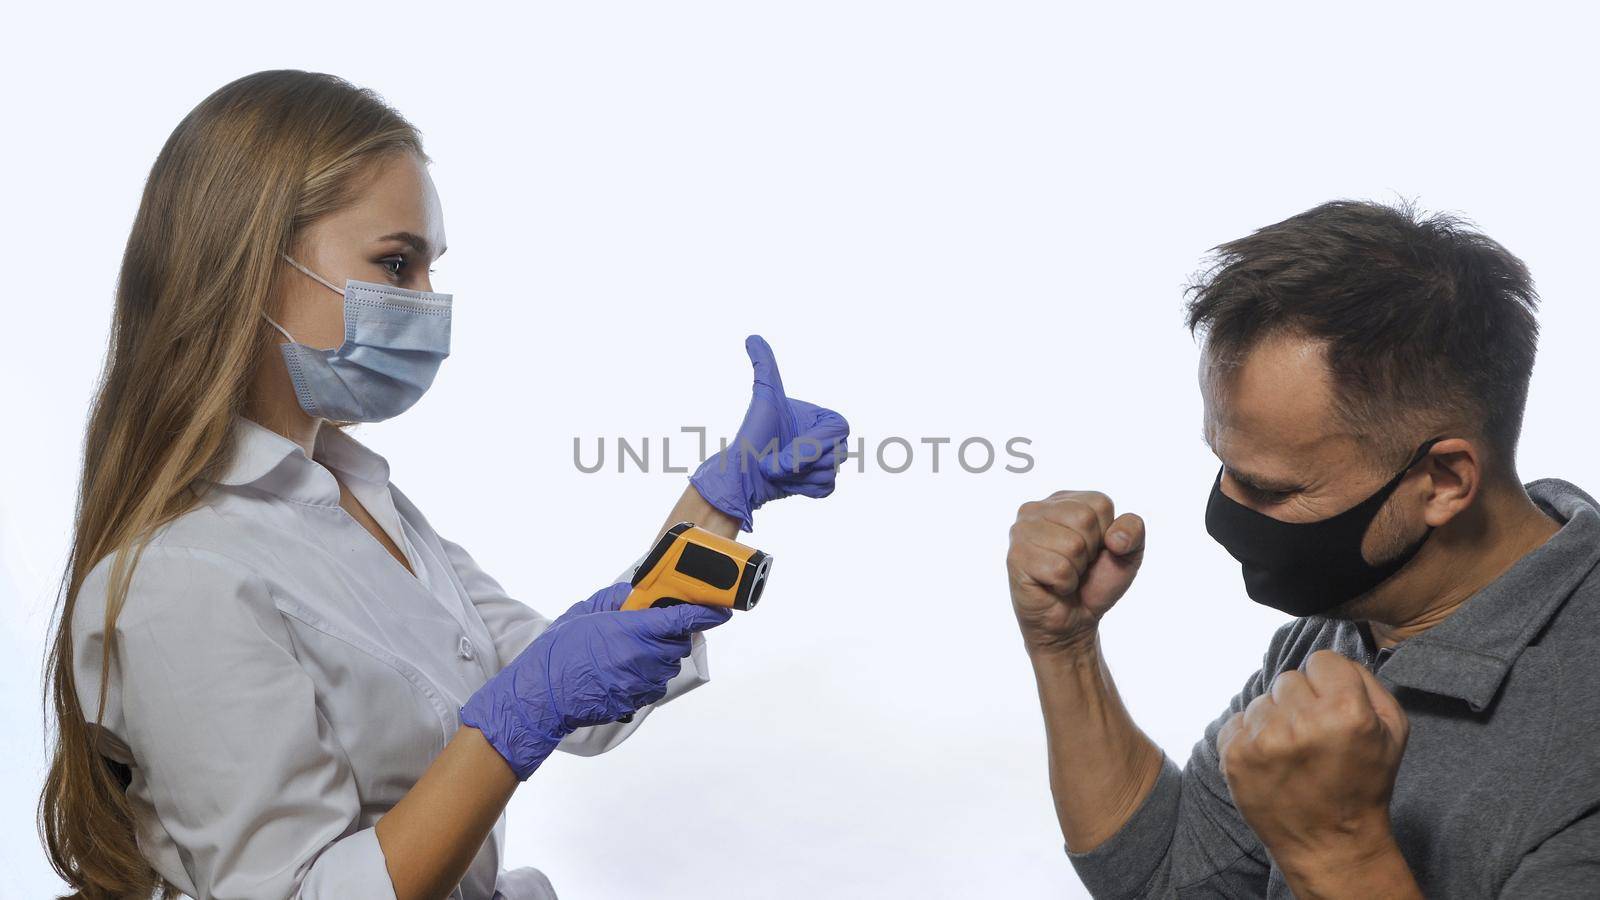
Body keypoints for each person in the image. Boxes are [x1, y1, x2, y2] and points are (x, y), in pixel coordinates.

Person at [40, 70, 848, 900]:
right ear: (251, 262)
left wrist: (723, 499)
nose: (430, 303)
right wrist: (512, 724)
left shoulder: (360, 503)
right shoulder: (181, 579)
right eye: (398, 264)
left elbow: (587, 691)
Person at [1006, 200, 1600, 898]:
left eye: (1272, 489)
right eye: (1224, 465)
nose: (1227, 511)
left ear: (1442, 480)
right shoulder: (1351, 626)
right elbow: (1171, 878)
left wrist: (1339, 853)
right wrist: (1065, 648)